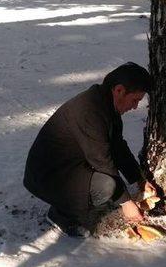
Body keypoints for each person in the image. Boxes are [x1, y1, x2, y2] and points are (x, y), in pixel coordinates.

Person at [23, 62, 157, 238]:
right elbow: (102, 160)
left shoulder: (106, 104)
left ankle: (72, 203)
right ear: (119, 90)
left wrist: (138, 179)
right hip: (46, 177)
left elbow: (117, 147)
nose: (134, 107)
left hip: (68, 168)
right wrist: (126, 203)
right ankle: (61, 215)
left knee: (107, 184)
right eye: (135, 100)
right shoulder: (90, 111)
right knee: (106, 186)